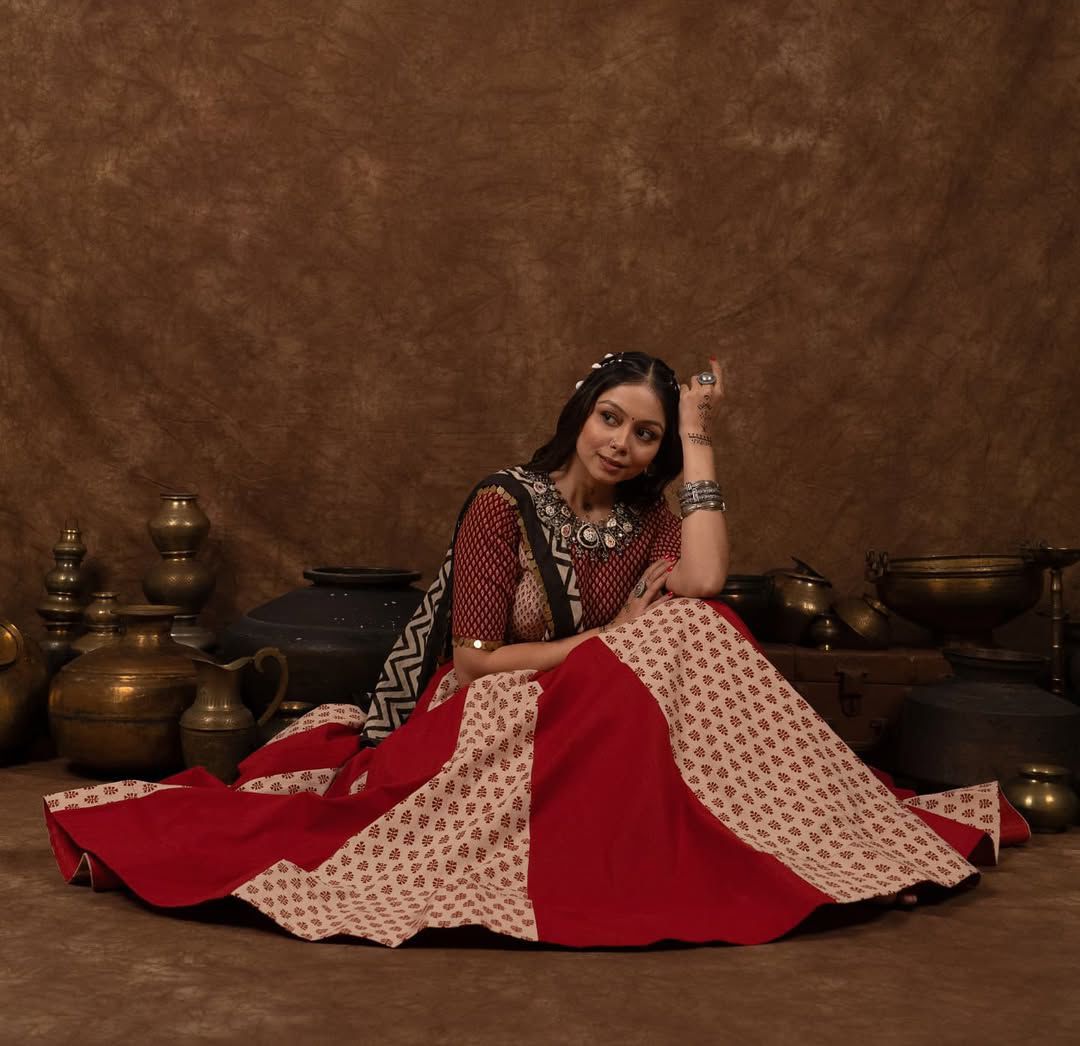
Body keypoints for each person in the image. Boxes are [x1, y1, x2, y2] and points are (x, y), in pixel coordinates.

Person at [44, 351, 1027, 948]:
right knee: (665, 639)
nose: (623, 444)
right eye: (612, 418)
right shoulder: (502, 506)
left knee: (700, 625)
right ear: (579, 412)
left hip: (598, 709)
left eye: (648, 435)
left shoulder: (647, 517)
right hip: (488, 709)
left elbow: (705, 580)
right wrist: (602, 646)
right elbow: (474, 662)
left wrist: (701, 438)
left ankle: (783, 830)